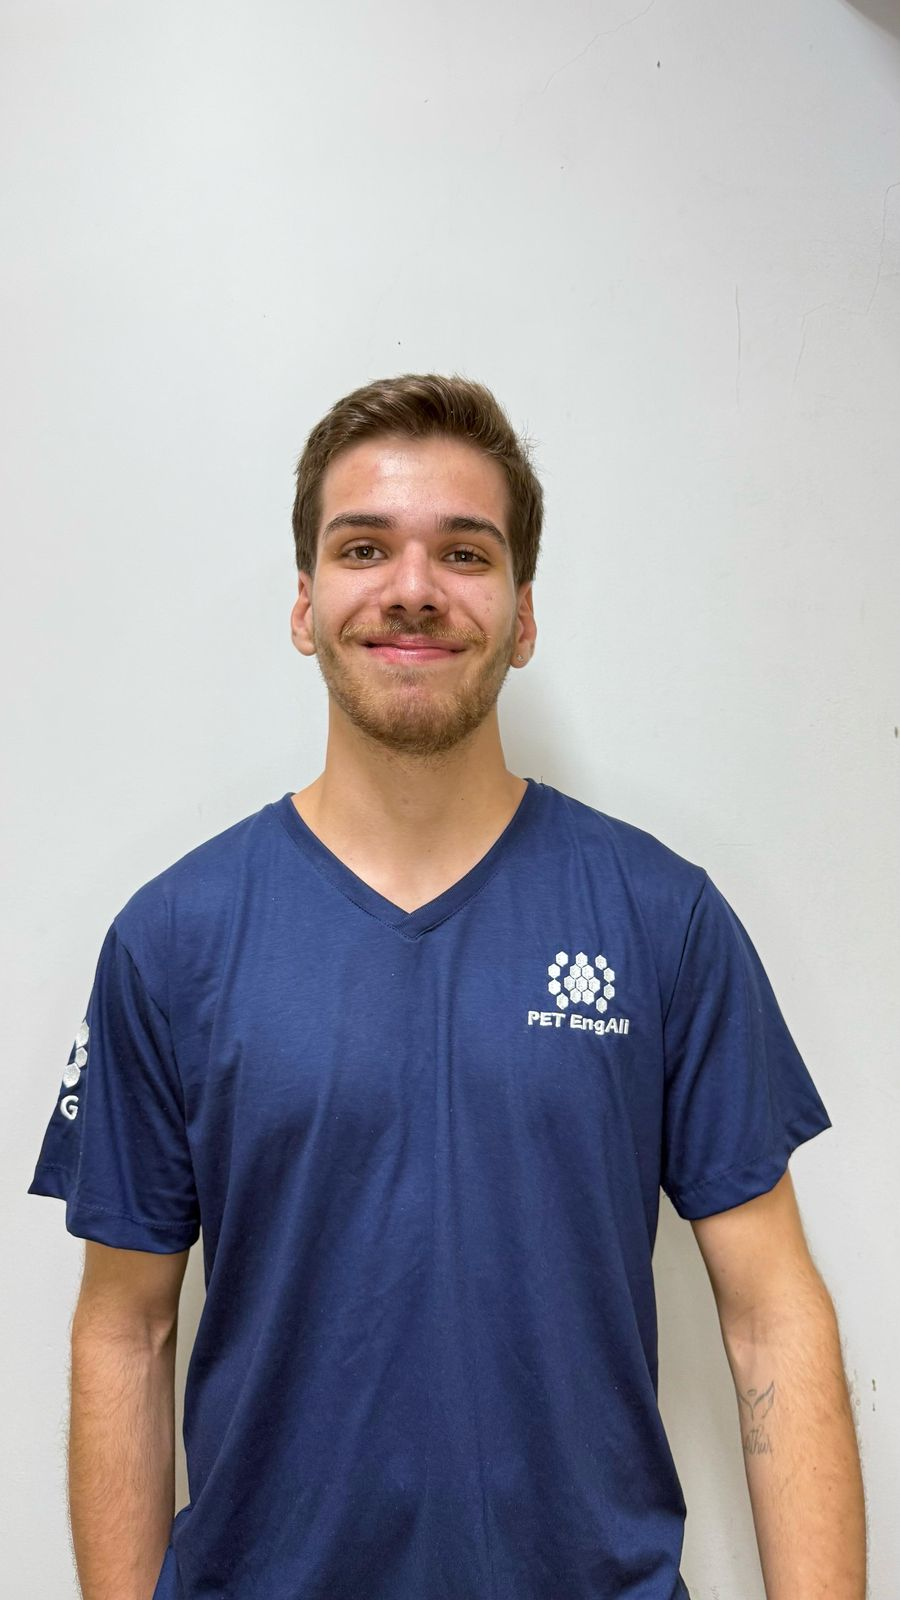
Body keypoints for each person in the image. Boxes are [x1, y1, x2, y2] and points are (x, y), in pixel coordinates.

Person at [28, 373, 866, 1600]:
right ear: (305, 604)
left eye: (464, 552)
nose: (413, 587)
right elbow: (125, 1328)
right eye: (364, 547)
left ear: (523, 615)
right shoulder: (173, 941)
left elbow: (770, 1311)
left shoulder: (660, 918)